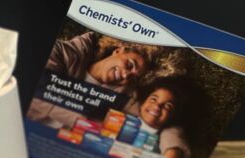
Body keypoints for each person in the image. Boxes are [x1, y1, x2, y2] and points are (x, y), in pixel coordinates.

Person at [27, 31, 172, 128]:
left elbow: (148, 118)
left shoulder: (125, 93)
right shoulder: (61, 52)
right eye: (129, 65)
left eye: (133, 77)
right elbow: (36, 89)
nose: (126, 75)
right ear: (118, 50)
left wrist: (172, 145)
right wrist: (87, 122)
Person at [124, 77, 192, 158]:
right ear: (142, 103)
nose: (157, 106)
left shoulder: (162, 144)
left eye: (168, 106)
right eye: (153, 99)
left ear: (173, 116)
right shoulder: (121, 117)